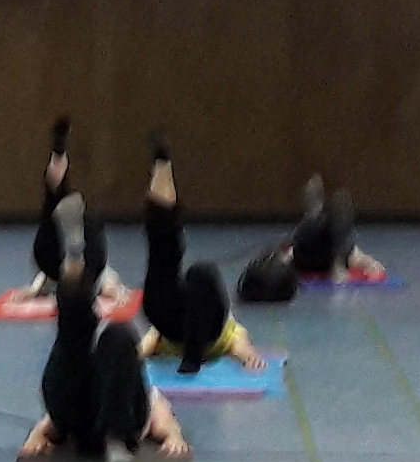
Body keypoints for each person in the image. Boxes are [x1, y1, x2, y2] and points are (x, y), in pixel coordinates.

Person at [20, 189, 188, 462]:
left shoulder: (104, 380)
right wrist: (173, 435)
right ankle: (115, 438)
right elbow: (162, 416)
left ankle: (74, 269)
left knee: (74, 334)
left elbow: (55, 413)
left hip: (77, 420)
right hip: (99, 422)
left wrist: (38, 435)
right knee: (112, 335)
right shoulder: (143, 395)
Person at [132, 134, 251, 375]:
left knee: (201, 272)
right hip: (181, 323)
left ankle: (193, 356)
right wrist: (133, 357)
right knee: (162, 244)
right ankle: (162, 163)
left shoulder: (225, 330)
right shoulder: (167, 328)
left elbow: (240, 343)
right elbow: (146, 345)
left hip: (208, 327)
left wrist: (248, 356)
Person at [20, 116, 120, 301]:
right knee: (56, 202)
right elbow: (108, 280)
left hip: (54, 257)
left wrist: (34, 291)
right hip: (80, 256)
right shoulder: (93, 267)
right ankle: (58, 169)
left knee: (53, 202)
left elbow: (43, 280)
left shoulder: (52, 274)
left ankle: (58, 163)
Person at [241, 176, 369, 302]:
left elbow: (288, 253)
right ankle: (315, 214)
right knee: (326, 226)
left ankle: (314, 213)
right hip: (316, 256)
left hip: (313, 255)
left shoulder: (338, 246)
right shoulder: (343, 248)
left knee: (319, 228)